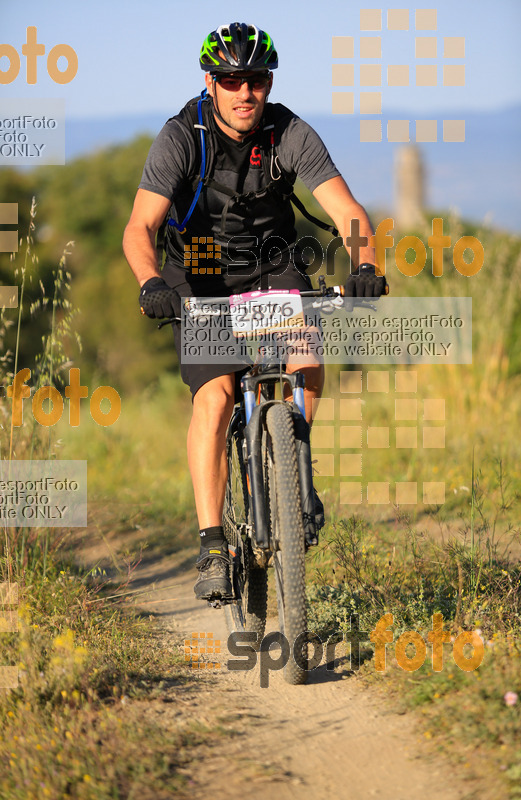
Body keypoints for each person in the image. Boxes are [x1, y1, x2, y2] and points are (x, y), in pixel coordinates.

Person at [123, 22, 386, 602]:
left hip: (272, 261)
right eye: (232, 80)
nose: (246, 92)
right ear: (211, 83)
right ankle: (213, 541)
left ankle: (294, 468)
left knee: (306, 352)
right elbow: (139, 227)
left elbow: (347, 209)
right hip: (198, 270)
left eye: (257, 80)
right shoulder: (180, 138)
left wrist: (364, 265)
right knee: (215, 397)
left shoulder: (289, 130)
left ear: (269, 83)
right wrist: (150, 283)